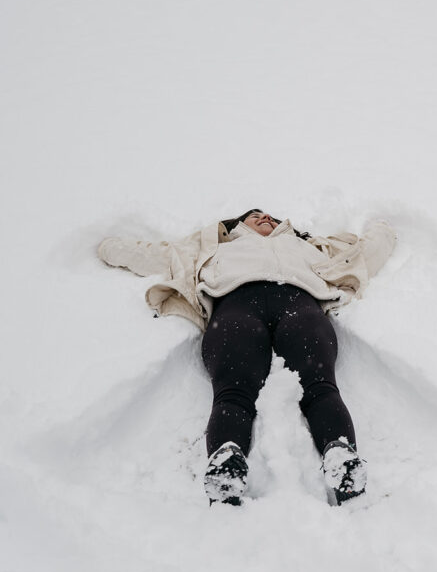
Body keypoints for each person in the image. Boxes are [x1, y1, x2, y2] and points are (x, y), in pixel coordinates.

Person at [98, 209, 396, 506]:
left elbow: (365, 253)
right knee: (233, 391)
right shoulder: (213, 246)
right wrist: (109, 249)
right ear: (239, 225)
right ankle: (226, 465)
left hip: (300, 305)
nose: (266, 218)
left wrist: (384, 227)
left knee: (319, 385)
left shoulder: (312, 247)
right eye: (256, 216)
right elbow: (155, 256)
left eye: (272, 218)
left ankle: (341, 457)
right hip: (236, 308)